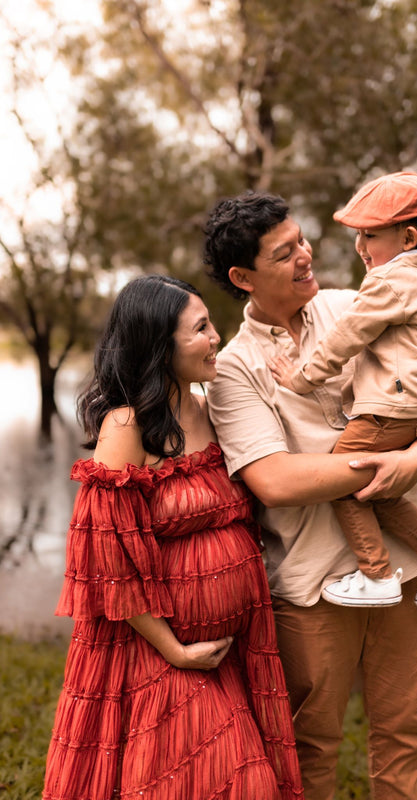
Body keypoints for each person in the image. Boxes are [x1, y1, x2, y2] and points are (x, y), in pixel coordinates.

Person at [204, 190, 417, 800]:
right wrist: (383, 465)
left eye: (302, 240)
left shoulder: (355, 304)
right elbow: (274, 481)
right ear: (243, 278)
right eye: (284, 252)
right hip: (313, 585)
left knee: (404, 737)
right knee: (309, 749)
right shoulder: (235, 368)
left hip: (404, 570)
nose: (305, 256)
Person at [42, 275, 304, 800]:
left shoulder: (210, 409)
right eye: (201, 328)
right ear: (161, 346)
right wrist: (176, 651)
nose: (216, 337)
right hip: (161, 654)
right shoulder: (126, 428)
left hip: (231, 651)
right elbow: (109, 564)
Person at [269, 170, 417, 609]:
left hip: (391, 408)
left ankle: (377, 574)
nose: (359, 246)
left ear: (407, 238)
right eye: (358, 234)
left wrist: (300, 378)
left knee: (341, 479)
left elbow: (345, 337)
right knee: (376, 488)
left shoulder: (390, 282)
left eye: (369, 235)